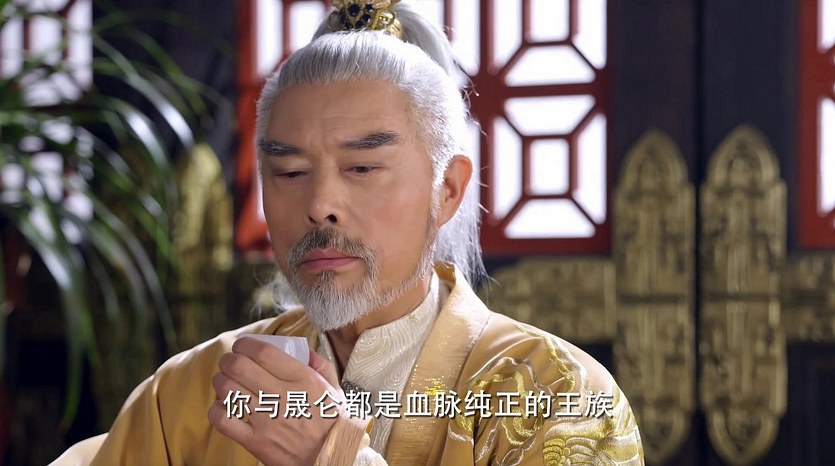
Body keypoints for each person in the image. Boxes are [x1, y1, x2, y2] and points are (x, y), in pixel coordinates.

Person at [51, 1, 644, 464]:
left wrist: (331, 455)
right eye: (290, 172)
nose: (320, 206)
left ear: (447, 189)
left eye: (362, 168)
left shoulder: (558, 397)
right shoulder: (192, 393)